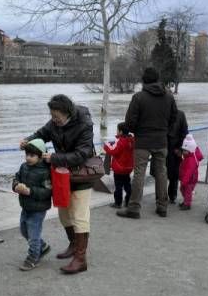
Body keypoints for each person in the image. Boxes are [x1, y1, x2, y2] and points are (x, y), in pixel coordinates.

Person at [20, 94, 94, 274]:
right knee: (64, 214)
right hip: (61, 174)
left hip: (81, 174)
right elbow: (41, 134)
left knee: (79, 215)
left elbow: (83, 153)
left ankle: (80, 258)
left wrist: (54, 157)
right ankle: (73, 245)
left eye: (56, 117)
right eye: (52, 116)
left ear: (67, 113)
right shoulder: (54, 122)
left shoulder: (84, 124)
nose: (54, 120)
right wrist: (28, 140)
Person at [117, 67, 178, 219]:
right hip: (161, 140)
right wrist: (165, 131)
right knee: (161, 173)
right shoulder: (169, 97)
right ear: (158, 79)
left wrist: (137, 130)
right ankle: (162, 207)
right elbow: (174, 118)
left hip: (143, 142)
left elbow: (130, 123)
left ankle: (134, 208)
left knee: (139, 174)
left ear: (144, 80)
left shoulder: (138, 97)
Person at [12, 138, 52, 271]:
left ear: (41, 156)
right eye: (27, 155)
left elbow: (47, 191)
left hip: (38, 209)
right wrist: (16, 185)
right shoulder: (24, 167)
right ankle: (43, 246)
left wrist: (30, 191)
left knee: (33, 235)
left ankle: (33, 257)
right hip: (25, 206)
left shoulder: (45, 171)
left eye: (32, 155)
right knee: (24, 230)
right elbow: (16, 177)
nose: (28, 158)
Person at [103, 122, 135, 209]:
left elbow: (113, 151)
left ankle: (118, 203)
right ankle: (128, 200)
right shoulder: (132, 141)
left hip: (119, 169)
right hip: (128, 168)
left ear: (120, 132)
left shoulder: (120, 142)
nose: (116, 131)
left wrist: (106, 145)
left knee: (118, 186)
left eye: (117, 130)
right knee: (127, 185)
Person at [167, 110, 189, 204]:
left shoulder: (180, 114)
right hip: (165, 149)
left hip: (173, 150)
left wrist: (179, 148)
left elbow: (184, 132)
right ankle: (165, 196)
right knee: (163, 174)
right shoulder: (180, 114)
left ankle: (171, 196)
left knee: (173, 174)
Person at [179, 134, 204, 210]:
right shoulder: (189, 157)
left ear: (190, 150)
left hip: (189, 179)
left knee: (187, 191)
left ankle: (187, 204)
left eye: (185, 150)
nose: (183, 152)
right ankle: (186, 201)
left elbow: (189, 172)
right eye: (183, 150)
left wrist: (184, 180)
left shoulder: (191, 160)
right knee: (184, 190)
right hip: (187, 178)